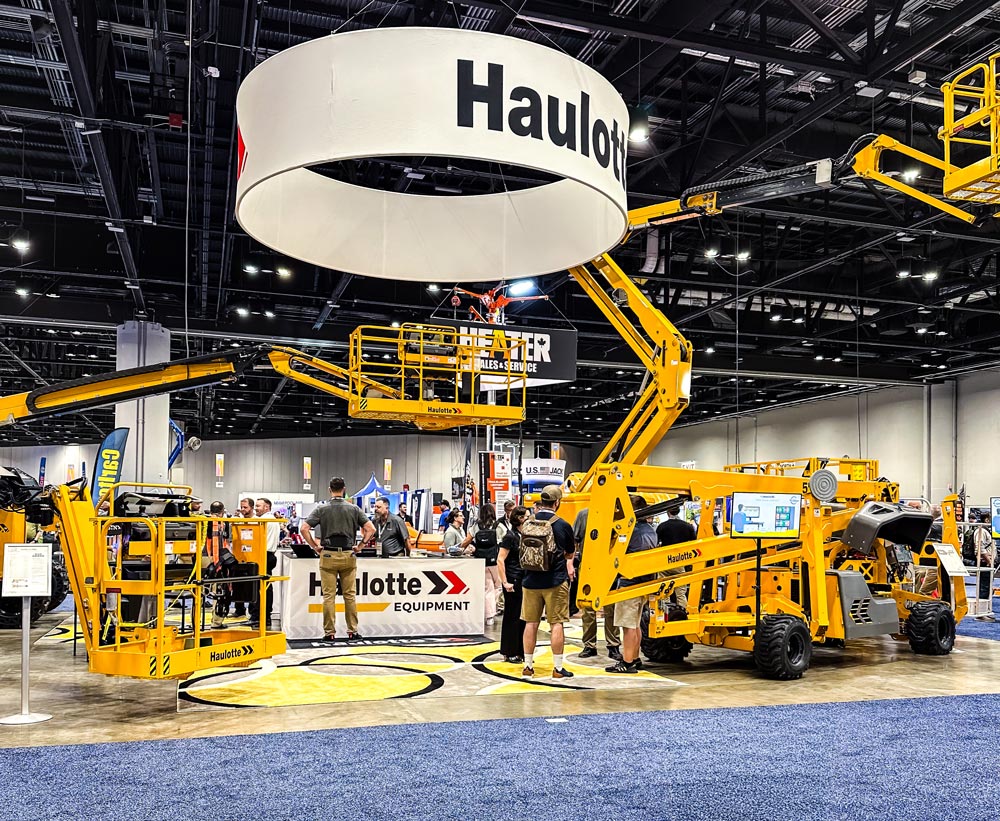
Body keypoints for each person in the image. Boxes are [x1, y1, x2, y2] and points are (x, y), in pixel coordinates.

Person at [302, 477, 374, 641]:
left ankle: (330, 633)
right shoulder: (354, 509)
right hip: (348, 554)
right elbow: (370, 529)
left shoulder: (322, 508)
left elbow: (304, 528)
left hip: (328, 554)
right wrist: (360, 546)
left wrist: (315, 546)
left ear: (330, 489)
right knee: (350, 595)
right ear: (344, 489)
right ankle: (352, 631)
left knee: (329, 596)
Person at [521, 484, 576, 680]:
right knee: (556, 623)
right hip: (555, 581)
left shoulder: (528, 523)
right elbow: (570, 552)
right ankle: (558, 668)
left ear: (542, 501)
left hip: (530, 580)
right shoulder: (562, 525)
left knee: (531, 623)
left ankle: (528, 667)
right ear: (557, 502)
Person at [606, 495, 658, 674]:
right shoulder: (650, 530)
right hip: (644, 581)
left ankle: (627, 662)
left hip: (629, 582)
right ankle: (635, 658)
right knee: (635, 623)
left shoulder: (630, 532)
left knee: (628, 625)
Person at [573, 507, 621, 661]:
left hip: (609, 566)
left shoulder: (617, 513)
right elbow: (575, 539)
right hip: (588, 565)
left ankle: (613, 645)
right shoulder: (584, 514)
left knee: (611, 607)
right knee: (588, 606)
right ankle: (589, 645)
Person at [497, 505, 528, 663]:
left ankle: (520, 650)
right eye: (527, 517)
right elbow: (500, 559)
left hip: (523, 579)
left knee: (522, 616)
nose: (529, 519)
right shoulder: (510, 537)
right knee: (512, 616)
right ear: (520, 519)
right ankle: (509, 651)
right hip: (512, 579)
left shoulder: (525, 536)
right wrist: (505, 582)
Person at [464, 503, 501, 626]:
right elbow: (505, 539)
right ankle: (491, 611)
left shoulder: (476, 526)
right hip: (495, 561)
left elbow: (467, 540)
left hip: (481, 560)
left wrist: (459, 548)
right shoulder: (498, 525)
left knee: (487, 588)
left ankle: (488, 614)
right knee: (498, 587)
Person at [248, 497, 281, 630]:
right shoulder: (273, 520)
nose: (256, 508)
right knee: (266, 586)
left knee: (259, 587)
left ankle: (258, 616)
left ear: (267, 507)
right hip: (269, 555)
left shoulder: (263, 520)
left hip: (262, 556)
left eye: (258, 506)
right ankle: (265, 616)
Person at [656, 503, 696, 610]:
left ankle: (666, 612)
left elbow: (656, 543)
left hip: (665, 561)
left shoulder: (662, 526)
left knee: (664, 590)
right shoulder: (687, 526)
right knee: (681, 592)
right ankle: (683, 612)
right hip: (680, 561)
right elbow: (694, 543)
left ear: (668, 512)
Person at [205, 500, 235, 628]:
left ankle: (196, 623)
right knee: (220, 590)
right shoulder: (223, 522)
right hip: (218, 560)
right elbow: (225, 541)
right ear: (222, 511)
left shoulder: (203, 521)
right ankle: (216, 622)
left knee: (198, 591)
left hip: (203, 558)